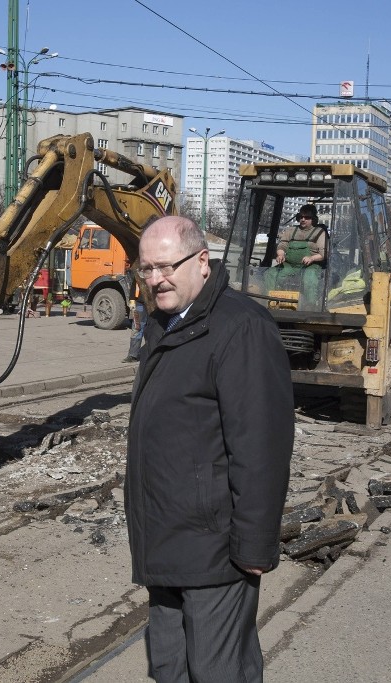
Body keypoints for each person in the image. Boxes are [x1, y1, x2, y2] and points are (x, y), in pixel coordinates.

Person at [125, 215, 294, 682]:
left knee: (218, 673)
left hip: (216, 552)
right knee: (169, 670)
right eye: (146, 269)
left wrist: (255, 545)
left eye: (165, 266)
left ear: (202, 262)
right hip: (166, 544)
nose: (155, 279)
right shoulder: (167, 323)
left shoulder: (241, 328)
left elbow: (261, 448)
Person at [266, 203, 327, 308]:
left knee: (310, 277)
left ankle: (310, 306)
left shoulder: (320, 232)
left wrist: (311, 258)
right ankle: (270, 302)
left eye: (307, 217)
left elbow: (323, 254)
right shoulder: (291, 230)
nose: (303, 219)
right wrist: (280, 254)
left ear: (314, 219)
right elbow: (282, 245)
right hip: (290, 265)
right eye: (301, 217)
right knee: (270, 273)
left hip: (310, 266)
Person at [123, 283, 148, 363]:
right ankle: (132, 355)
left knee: (152, 328)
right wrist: (132, 303)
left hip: (153, 303)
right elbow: (134, 287)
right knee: (137, 328)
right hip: (139, 304)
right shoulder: (138, 271)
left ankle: (151, 353)